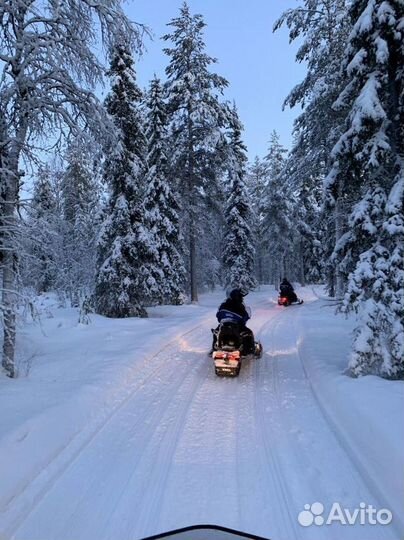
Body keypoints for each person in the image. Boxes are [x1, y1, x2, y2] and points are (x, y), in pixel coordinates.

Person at [211, 288, 255, 354]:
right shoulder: (240, 306)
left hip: (224, 324)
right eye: (241, 297)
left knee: (216, 332)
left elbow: (218, 316)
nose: (242, 298)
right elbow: (245, 317)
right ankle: (249, 350)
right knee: (249, 333)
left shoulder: (224, 304)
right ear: (238, 296)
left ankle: (214, 349)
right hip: (236, 325)